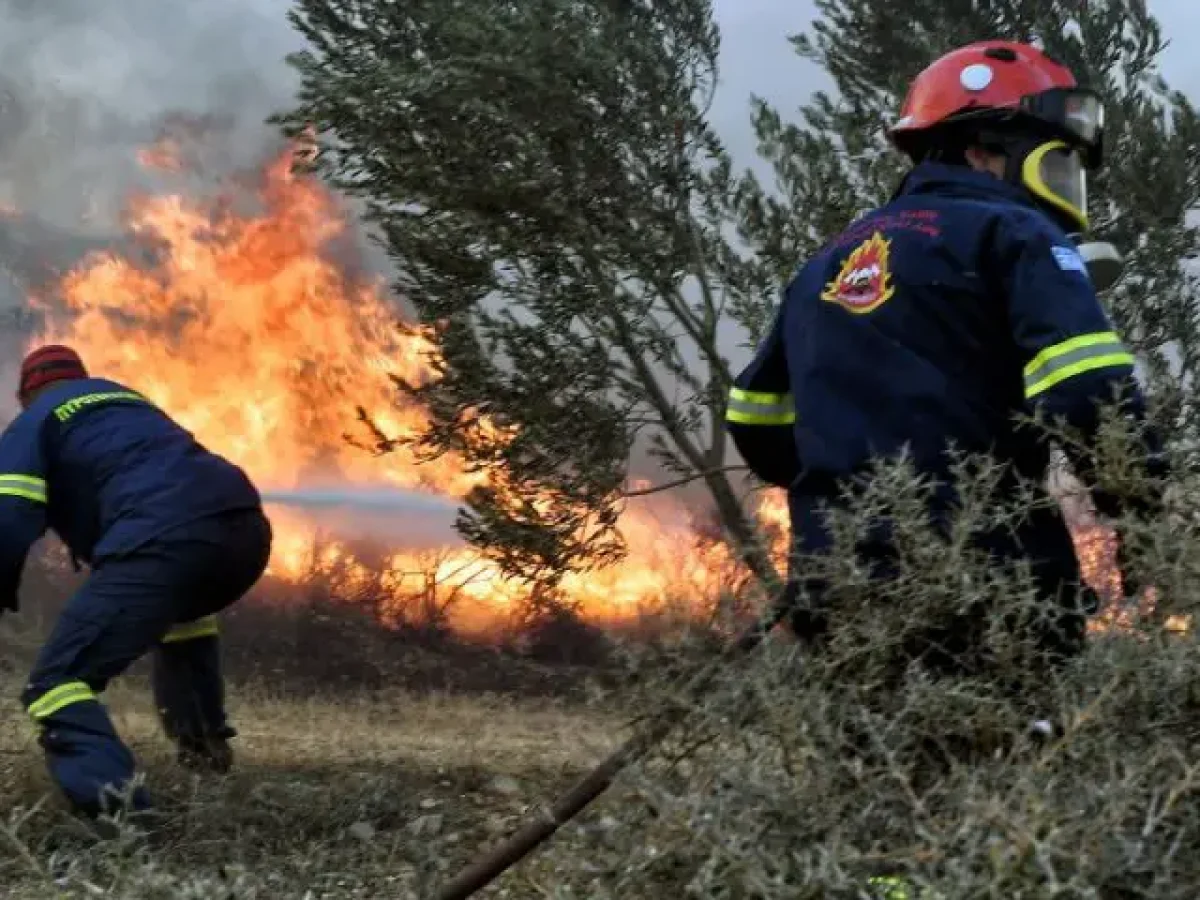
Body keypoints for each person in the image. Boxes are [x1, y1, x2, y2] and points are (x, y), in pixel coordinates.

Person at [725, 40, 1165, 669]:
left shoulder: (829, 260)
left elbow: (755, 414)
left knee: (869, 759)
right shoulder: (1015, 234)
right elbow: (1089, 392)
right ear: (983, 150)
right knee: (1011, 760)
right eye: (1055, 160)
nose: (1064, 185)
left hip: (837, 584)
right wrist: (1143, 518)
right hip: (988, 580)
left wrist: (852, 485)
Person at [0, 344, 272, 818]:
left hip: (161, 537)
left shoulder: (36, 419)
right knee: (180, 619)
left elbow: (11, 510)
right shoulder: (127, 401)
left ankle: (125, 822)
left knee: (57, 683)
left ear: (27, 393)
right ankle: (205, 754)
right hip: (245, 530)